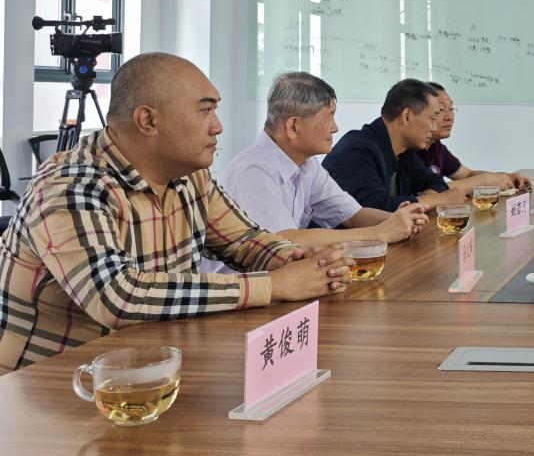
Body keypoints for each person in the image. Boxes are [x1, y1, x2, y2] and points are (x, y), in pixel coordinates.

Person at [0, 53, 353, 374]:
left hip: (150, 370)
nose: (218, 126)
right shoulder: (71, 187)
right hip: (49, 385)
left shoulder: (189, 177)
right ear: (148, 120)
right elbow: (118, 296)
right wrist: (274, 284)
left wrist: (301, 262)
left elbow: (245, 241)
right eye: (205, 111)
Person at [203, 73, 432, 274]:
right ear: (293, 126)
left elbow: (353, 215)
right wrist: (380, 233)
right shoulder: (253, 172)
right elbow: (284, 241)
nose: (335, 127)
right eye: (328, 117)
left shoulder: (306, 164)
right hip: (244, 297)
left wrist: (398, 219)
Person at [323, 79, 467, 211]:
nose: (434, 128)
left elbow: (435, 182)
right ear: (407, 116)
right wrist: (439, 200)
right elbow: (373, 209)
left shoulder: (404, 151)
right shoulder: (357, 149)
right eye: (432, 119)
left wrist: (428, 199)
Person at [421, 83, 530, 193]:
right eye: (441, 110)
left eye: (451, 109)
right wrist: (484, 181)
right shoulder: (412, 150)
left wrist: (506, 177)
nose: (450, 117)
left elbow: (467, 175)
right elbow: (427, 193)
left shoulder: (436, 147)